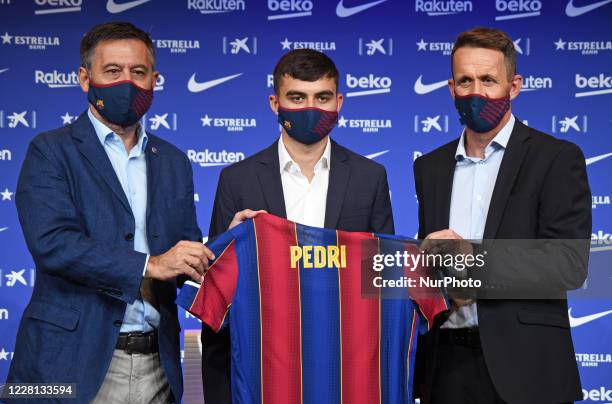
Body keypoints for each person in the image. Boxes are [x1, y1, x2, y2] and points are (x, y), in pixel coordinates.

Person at [5, 21, 213, 404]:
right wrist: (149, 265)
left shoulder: (173, 161)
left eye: (139, 72)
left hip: (159, 365)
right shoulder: (50, 151)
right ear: (85, 78)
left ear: (155, 79)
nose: (128, 83)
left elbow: (180, 256)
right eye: (112, 71)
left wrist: (227, 243)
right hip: (71, 363)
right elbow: (53, 244)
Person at [201, 48, 395, 403]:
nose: (311, 108)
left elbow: (381, 285)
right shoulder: (237, 180)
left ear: (339, 102)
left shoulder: (370, 178)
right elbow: (218, 297)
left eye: (322, 97)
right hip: (266, 369)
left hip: (344, 369)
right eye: (297, 97)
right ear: (275, 103)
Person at [414, 27, 591, 404]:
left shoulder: (556, 158)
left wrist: (470, 259)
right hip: (445, 366)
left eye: (488, 80)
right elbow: (429, 262)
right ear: (451, 89)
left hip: (529, 369)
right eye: (465, 81)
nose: (476, 92)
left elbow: (569, 264)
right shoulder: (429, 167)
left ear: (514, 86)